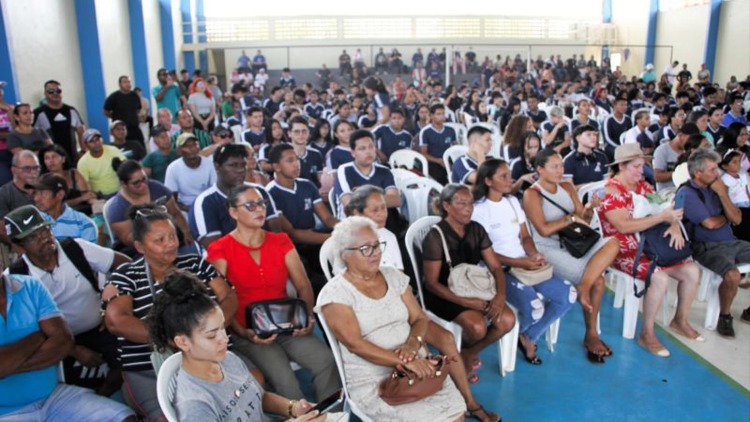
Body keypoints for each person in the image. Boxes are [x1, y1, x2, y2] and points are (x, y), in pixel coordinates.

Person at [317, 216, 500, 422]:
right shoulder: (336, 294)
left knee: (455, 413)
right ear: (345, 255)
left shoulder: (393, 276)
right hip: (376, 379)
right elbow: (355, 345)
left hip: (418, 364)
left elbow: (419, 318)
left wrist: (413, 345)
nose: (376, 253)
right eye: (366, 249)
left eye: (377, 245)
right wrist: (404, 362)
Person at [101, 205, 238, 422]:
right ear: (139, 246)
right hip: (149, 367)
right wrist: (177, 339)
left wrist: (207, 334)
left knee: (249, 387)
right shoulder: (126, 275)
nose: (171, 244)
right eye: (160, 240)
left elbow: (228, 297)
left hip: (210, 356)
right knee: (167, 418)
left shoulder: (195, 263)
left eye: (173, 236)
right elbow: (117, 321)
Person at [206, 185, 341, 402]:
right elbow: (219, 300)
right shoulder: (220, 249)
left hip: (287, 323)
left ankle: (328, 414)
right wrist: (241, 331)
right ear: (233, 212)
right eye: (250, 205)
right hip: (247, 330)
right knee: (284, 379)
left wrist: (306, 316)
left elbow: (303, 286)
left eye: (262, 204)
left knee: (326, 361)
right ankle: (298, 417)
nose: (259, 210)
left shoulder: (280, 241)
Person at [145, 271, 327, 421]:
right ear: (182, 342)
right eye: (211, 335)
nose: (223, 339)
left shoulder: (228, 359)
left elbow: (258, 396)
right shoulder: (194, 404)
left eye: (223, 328)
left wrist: (293, 408)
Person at [5, 204, 131, 396]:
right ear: (18, 246)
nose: (44, 238)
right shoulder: (16, 278)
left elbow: (124, 264)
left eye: (45, 229)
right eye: (33, 237)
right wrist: (73, 350)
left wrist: (111, 301)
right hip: (58, 344)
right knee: (75, 389)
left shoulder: (75, 249)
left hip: (102, 327)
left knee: (127, 365)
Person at [0, 256, 136, 421]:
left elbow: (64, 341)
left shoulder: (30, 286)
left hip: (53, 397)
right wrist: (38, 338)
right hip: (6, 412)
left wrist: (8, 366)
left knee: (124, 418)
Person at [597, 143, 702, 356]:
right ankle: (647, 333)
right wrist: (661, 218)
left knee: (692, 271)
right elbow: (623, 227)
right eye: (636, 166)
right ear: (621, 167)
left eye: (642, 165)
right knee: (660, 278)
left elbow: (665, 208)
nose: (641, 170)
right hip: (622, 250)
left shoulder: (643, 186)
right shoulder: (611, 191)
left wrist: (673, 225)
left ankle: (679, 320)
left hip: (650, 246)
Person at [470, 165, 576, 365]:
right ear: (488, 181)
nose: (510, 179)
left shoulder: (511, 202)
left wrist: (534, 255)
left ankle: (527, 335)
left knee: (568, 295)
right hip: (499, 269)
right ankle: (504, 336)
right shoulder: (480, 210)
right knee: (535, 309)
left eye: (509, 175)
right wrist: (520, 262)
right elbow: (485, 253)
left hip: (523, 264)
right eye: (503, 176)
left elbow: (525, 236)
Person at [523, 149, 620, 362]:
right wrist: (570, 218)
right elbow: (543, 230)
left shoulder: (566, 187)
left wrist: (589, 207)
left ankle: (582, 287)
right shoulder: (532, 194)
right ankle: (591, 334)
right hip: (550, 249)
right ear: (540, 169)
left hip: (575, 243)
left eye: (561, 166)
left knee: (613, 242)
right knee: (599, 280)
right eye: (554, 166)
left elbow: (582, 216)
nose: (561, 171)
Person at [422, 184, 517, 375]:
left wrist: (500, 296)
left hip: (473, 286)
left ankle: (468, 352)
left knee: (507, 320)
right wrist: (467, 302)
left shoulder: (476, 229)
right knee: (477, 327)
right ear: (447, 206)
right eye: (462, 203)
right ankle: (465, 350)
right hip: (444, 292)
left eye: (471, 204)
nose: (468, 208)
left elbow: (496, 266)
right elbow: (431, 283)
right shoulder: (435, 236)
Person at [679, 148, 749, 338]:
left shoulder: (716, 189)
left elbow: (738, 219)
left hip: (731, 241)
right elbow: (709, 224)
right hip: (706, 246)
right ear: (698, 173)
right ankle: (725, 316)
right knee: (733, 275)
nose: (717, 173)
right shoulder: (688, 193)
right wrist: (726, 218)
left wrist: (723, 195)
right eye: (712, 170)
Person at [189, 144, 286, 250]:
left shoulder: (259, 191)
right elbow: (216, 250)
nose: (240, 170)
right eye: (233, 165)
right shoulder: (205, 202)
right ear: (217, 166)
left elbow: (276, 231)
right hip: (225, 264)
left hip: (265, 256)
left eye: (243, 165)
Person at [105, 160, 193, 254]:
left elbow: (175, 213)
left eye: (144, 179)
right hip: (139, 250)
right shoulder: (117, 208)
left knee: (191, 251)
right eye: (136, 183)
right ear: (124, 184)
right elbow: (128, 238)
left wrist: (185, 232)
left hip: (169, 238)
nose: (143, 185)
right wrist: (157, 244)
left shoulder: (157, 188)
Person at [266, 143, 338, 246]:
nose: (296, 164)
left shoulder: (307, 184)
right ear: (277, 167)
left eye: (297, 159)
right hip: (293, 245)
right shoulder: (270, 193)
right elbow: (291, 234)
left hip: (315, 236)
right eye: (290, 160)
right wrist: (334, 240)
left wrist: (346, 229)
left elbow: (327, 219)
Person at [32, 173, 97, 244]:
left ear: (60, 195)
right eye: (35, 193)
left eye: (43, 193)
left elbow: (87, 254)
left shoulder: (83, 223)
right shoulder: (33, 221)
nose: (36, 198)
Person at [33, 80, 86, 161]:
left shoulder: (71, 110)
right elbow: (30, 134)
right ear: (45, 93)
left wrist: (84, 151)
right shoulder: (38, 113)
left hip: (71, 158)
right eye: (51, 91)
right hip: (49, 161)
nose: (55, 93)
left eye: (58, 91)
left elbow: (81, 132)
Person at [164, 133, 217, 211]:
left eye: (194, 145)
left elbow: (215, 191)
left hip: (208, 206)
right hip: (184, 208)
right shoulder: (173, 168)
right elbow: (172, 199)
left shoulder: (209, 164)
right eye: (187, 146)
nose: (192, 149)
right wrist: (191, 210)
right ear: (179, 151)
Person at [38, 144, 97, 213]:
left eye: (54, 157)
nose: (51, 161)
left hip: (82, 211)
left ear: (63, 159)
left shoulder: (73, 173)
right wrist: (81, 199)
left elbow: (87, 194)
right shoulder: (43, 181)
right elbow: (55, 205)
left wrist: (94, 201)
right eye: (47, 158)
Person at [77, 129, 127, 198]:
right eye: (92, 141)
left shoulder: (113, 150)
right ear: (86, 144)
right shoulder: (83, 162)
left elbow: (127, 167)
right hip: (101, 197)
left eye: (98, 139)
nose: (96, 143)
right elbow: (84, 187)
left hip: (121, 191)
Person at [418, 104, 457, 185]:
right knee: (442, 179)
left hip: (447, 159)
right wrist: (439, 161)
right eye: (438, 114)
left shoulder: (450, 130)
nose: (442, 116)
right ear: (431, 116)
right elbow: (424, 153)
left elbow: (455, 147)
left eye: (443, 113)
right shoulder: (425, 132)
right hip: (433, 161)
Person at [718, 148, 750, 241]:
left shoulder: (743, 175)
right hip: (737, 207)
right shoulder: (725, 179)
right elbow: (725, 195)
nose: (738, 164)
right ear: (724, 166)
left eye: (739, 161)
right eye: (734, 162)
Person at [103, 76, 143, 144]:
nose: (127, 84)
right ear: (120, 84)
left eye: (128, 82)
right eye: (125, 82)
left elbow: (138, 109)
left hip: (134, 128)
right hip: (121, 130)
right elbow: (106, 111)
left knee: (140, 147)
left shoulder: (134, 95)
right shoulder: (114, 97)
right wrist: (114, 116)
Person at [510, 131, 541, 196]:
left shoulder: (542, 159)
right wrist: (522, 178)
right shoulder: (516, 163)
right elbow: (510, 191)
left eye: (536, 147)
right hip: (522, 196)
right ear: (523, 146)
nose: (533, 151)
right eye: (529, 147)